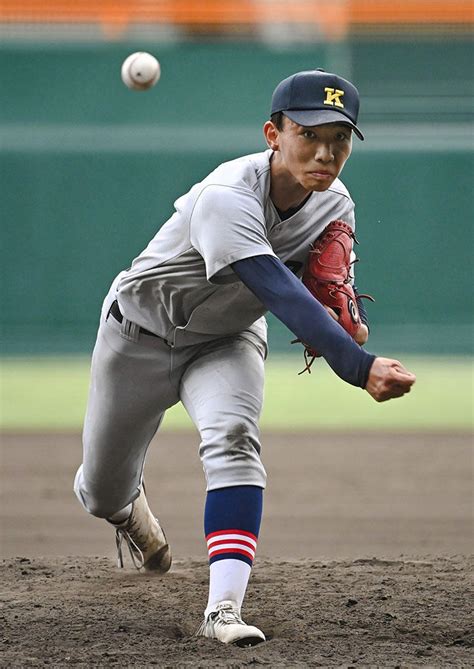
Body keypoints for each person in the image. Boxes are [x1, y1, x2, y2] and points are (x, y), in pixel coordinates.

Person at [74, 69, 416, 647]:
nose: (326, 152)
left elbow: (323, 289)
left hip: (226, 339)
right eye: (309, 134)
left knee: (234, 438)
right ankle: (128, 510)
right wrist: (358, 367)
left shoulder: (336, 205)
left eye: (340, 139)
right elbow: (280, 289)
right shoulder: (226, 195)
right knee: (101, 490)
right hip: (138, 337)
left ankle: (223, 610)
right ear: (273, 134)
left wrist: (340, 310)